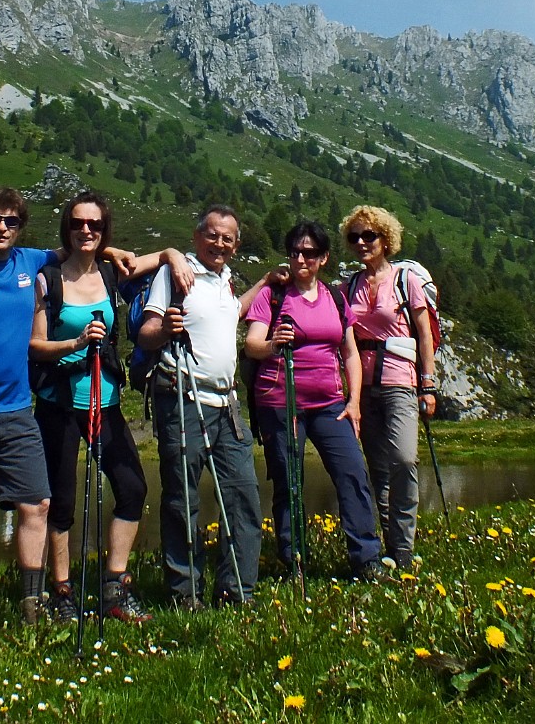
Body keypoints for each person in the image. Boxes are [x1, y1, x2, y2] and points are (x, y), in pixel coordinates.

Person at [0, 186, 136, 657]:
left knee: (37, 505)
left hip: (16, 407)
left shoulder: (30, 262)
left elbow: (81, 246)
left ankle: (33, 605)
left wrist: (143, 250)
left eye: (11, 221)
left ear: (20, 228)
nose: (1, 227)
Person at [29, 191, 190, 624]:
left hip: (106, 399)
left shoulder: (110, 271)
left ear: (104, 231)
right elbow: (35, 346)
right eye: (79, 223)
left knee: (133, 488)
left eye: (95, 225)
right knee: (60, 501)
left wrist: (174, 254)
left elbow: (155, 258)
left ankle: (114, 585)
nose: (87, 230)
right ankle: (62, 591)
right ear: (67, 227)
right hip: (58, 401)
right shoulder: (49, 279)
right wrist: (76, 344)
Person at [136, 204, 282, 607]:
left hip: (227, 405)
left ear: (236, 246)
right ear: (197, 236)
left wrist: (267, 281)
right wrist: (164, 328)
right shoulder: (176, 273)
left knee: (243, 496)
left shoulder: (226, 281)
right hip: (181, 397)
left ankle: (237, 591)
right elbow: (146, 334)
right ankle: (185, 593)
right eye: (213, 235)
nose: (220, 243)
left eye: (228, 238)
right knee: (183, 497)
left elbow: (233, 313)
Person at [243, 221, 386, 581]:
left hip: (330, 404)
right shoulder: (273, 297)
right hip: (280, 402)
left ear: (323, 258)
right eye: (294, 252)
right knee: (289, 479)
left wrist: (353, 402)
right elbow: (252, 345)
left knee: (352, 472)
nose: (300, 259)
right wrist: (275, 342)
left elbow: (350, 353)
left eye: (309, 253)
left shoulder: (336, 298)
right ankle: (295, 560)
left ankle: (366, 558)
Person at [341, 205, 437, 570]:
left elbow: (424, 334)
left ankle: (403, 547)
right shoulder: (348, 286)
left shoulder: (405, 279)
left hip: (401, 382)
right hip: (363, 387)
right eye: (355, 237)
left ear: (386, 239)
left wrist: (428, 385)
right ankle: (389, 547)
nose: (362, 243)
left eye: (370, 236)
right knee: (377, 468)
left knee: (403, 460)